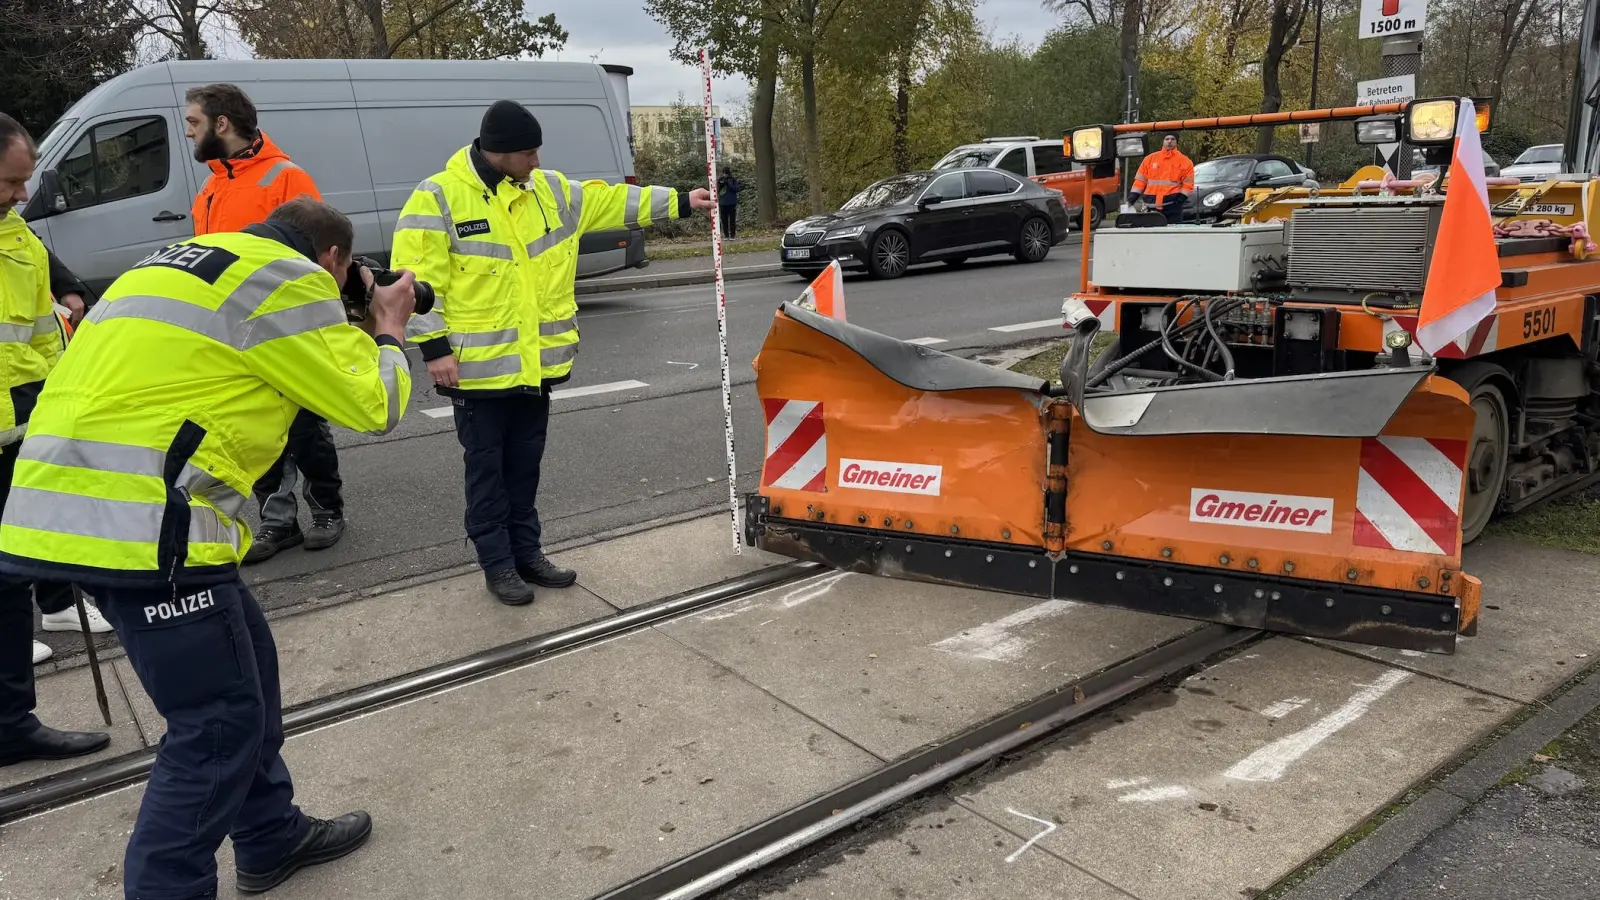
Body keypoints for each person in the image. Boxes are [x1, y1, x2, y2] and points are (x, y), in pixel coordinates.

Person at [0, 196, 415, 897]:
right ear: (335, 259)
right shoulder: (289, 277)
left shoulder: (170, 265)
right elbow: (371, 405)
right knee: (216, 726)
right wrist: (388, 327)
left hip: (67, 509)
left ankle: (268, 835)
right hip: (144, 528)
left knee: (250, 667)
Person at [392, 100, 715, 604]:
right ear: (498, 152)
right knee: (487, 473)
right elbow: (413, 284)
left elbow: (610, 202)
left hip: (536, 367)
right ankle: (498, 564)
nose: (537, 160)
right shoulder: (437, 198)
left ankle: (528, 554)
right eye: (528, 152)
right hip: (475, 372)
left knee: (525, 468)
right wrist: (434, 349)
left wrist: (679, 199)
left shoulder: (550, 190)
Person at [184, 82, 348, 561]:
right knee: (251, 431)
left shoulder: (284, 177)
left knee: (303, 426)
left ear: (221, 124)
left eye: (194, 122)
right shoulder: (214, 183)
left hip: (280, 327)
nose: (188, 131)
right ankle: (278, 524)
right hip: (229, 332)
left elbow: (319, 252)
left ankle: (327, 511)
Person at [0, 112, 112, 767]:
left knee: (10, 584)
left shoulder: (17, 236)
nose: (23, 194)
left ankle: (12, 721)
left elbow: (42, 331)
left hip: (21, 433)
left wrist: (55, 407)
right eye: (11, 181)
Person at [1129, 132, 1196, 224]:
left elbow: (1188, 184)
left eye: (1172, 139)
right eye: (1167, 139)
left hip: (1172, 208)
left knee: (1172, 236)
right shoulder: (1150, 159)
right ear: (1163, 141)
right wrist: (1132, 197)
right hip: (1150, 207)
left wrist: (1180, 199)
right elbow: (1140, 182)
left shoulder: (1185, 161)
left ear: (1176, 142)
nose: (1169, 141)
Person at [717, 168, 741, 239]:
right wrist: (720, 183)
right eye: (724, 173)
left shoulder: (733, 180)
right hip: (723, 203)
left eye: (726, 173)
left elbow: (736, 189)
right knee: (724, 220)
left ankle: (732, 235)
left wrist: (728, 183)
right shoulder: (721, 180)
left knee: (732, 220)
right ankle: (726, 235)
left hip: (732, 203)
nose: (725, 175)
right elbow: (717, 190)